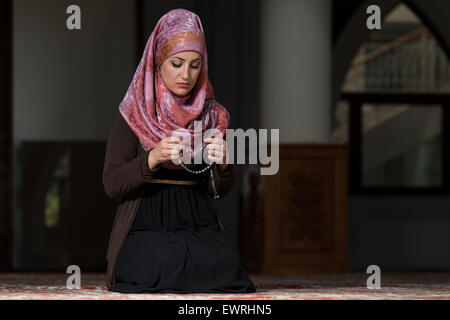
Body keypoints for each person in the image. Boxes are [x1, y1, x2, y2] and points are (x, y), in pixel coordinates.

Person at [102, 8, 255, 293]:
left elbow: (217, 190)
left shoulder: (211, 115)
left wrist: (224, 166)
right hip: (145, 223)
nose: (186, 75)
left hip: (197, 221)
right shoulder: (134, 113)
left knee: (226, 263)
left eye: (195, 65)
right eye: (177, 63)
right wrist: (152, 158)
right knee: (161, 260)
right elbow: (111, 183)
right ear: (158, 62)